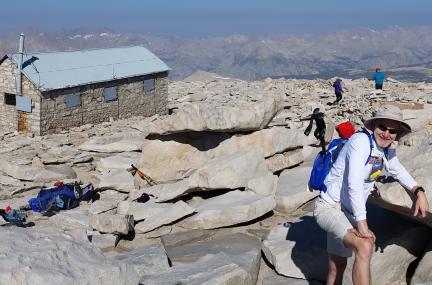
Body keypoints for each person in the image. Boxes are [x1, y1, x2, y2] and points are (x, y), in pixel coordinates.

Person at [313, 105, 429, 285]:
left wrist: (418, 192)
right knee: (365, 246)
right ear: (374, 125)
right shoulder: (360, 142)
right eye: (382, 127)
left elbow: (398, 171)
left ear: (397, 134)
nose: (386, 134)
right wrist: (362, 225)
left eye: (392, 131)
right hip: (330, 207)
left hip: (347, 212)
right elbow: (354, 184)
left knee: (337, 266)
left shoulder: (386, 150)